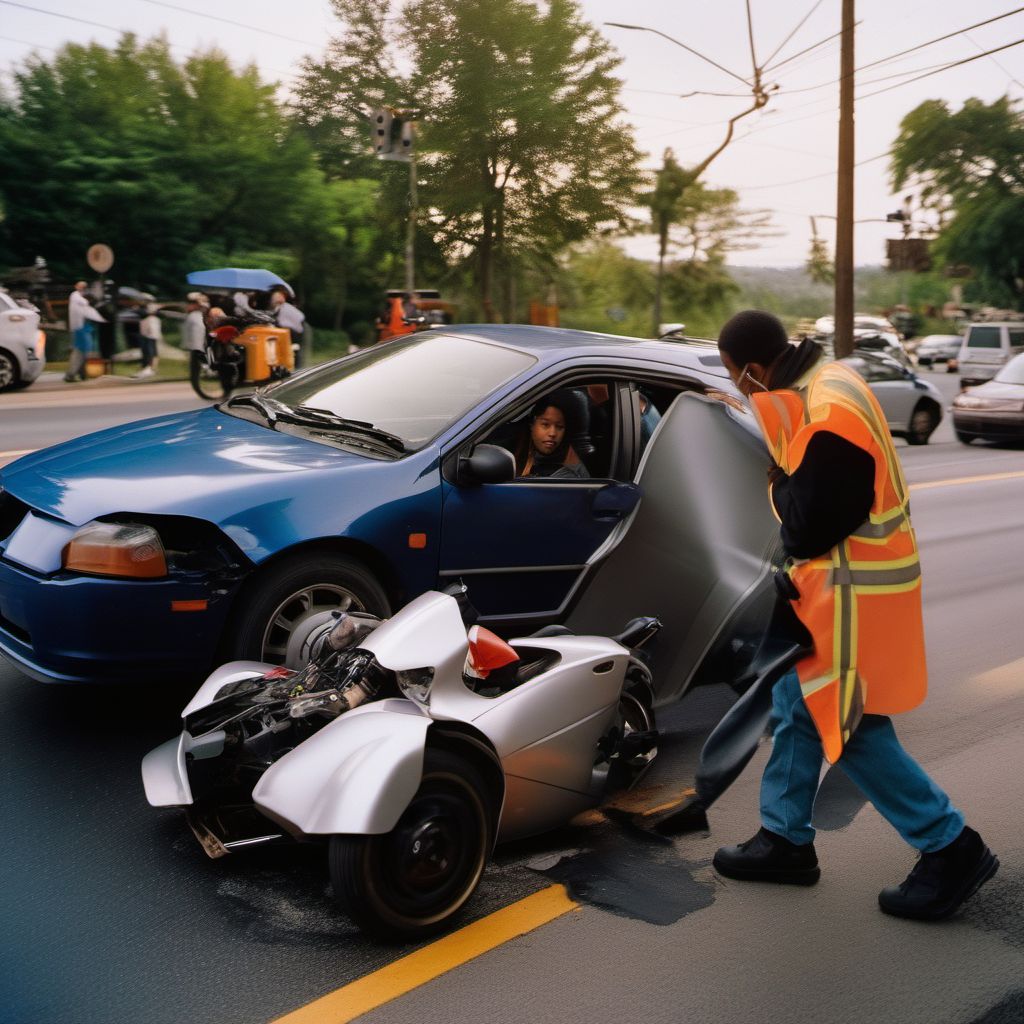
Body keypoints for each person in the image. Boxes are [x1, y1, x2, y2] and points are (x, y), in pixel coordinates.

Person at [711, 309, 997, 921]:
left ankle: (950, 846)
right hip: (835, 588)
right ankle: (784, 838)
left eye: (737, 379)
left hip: (849, 594)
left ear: (757, 371)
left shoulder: (826, 411)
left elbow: (810, 524)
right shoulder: (826, 380)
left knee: (850, 724)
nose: (738, 390)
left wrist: (775, 483)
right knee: (795, 702)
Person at [514, 395, 589, 479]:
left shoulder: (572, 475)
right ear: (532, 426)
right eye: (545, 425)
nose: (552, 433)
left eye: (559, 426)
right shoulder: (520, 458)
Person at [65, 281, 106, 382]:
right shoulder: (75, 296)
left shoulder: (83, 299)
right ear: (76, 286)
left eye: (84, 286)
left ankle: (81, 373)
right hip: (79, 328)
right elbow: (85, 304)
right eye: (80, 286)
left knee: (84, 352)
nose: (83, 288)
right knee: (79, 352)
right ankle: (71, 374)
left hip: (84, 328)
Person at [271, 288, 305, 367]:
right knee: (293, 349)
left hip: (291, 330)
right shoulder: (283, 307)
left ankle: (294, 365)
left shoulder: (282, 308)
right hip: (292, 329)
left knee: (293, 349)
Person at [182, 292, 209, 379]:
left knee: (201, 351)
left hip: (204, 332)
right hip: (195, 338)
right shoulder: (192, 314)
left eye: (193, 302)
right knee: (195, 353)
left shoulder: (204, 307)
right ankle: (199, 371)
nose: (190, 304)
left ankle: (207, 368)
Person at [133, 303, 162, 379]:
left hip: (151, 337)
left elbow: (153, 330)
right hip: (148, 337)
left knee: (151, 353)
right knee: (148, 353)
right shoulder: (146, 319)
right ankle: (148, 368)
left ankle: (150, 369)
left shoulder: (152, 319)